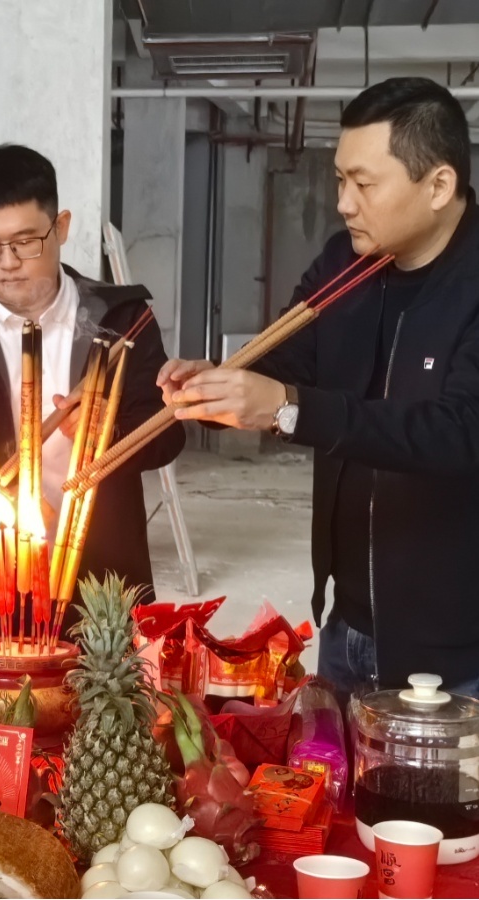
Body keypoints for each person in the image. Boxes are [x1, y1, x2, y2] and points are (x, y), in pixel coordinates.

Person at [158, 77, 479, 698]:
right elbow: (287, 361)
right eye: (339, 180)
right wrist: (218, 383)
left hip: (458, 652)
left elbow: (458, 431)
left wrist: (288, 410)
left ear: (439, 185)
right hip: (348, 629)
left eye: (364, 184)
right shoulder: (345, 263)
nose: (344, 203)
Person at [0, 144, 185, 625]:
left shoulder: (122, 319)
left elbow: (168, 435)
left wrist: (109, 434)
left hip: (104, 579)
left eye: (26, 241)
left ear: (61, 227)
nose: (8, 262)